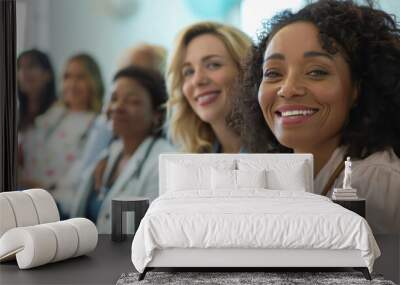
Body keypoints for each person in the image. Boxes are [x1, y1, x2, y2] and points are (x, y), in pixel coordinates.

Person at [233, 0, 400, 233]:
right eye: (273, 73)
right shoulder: (277, 177)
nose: (288, 88)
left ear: (358, 88)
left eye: (316, 72)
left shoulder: (380, 183)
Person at [70, 66, 175, 233]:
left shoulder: (163, 164)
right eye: (113, 98)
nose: (117, 107)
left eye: (132, 101)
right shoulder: (110, 153)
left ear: (157, 115)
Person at [19, 53, 104, 192]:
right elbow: (30, 147)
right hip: (27, 189)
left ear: (93, 81)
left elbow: (80, 171)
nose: (72, 84)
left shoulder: (97, 123)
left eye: (80, 77)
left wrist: (42, 186)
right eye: (67, 77)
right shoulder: (54, 114)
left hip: (56, 197)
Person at [167, 21, 252, 153]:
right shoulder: (193, 159)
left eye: (213, 65)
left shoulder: (282, 152)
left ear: (246, 71)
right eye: (188, 72)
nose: (197, 80)